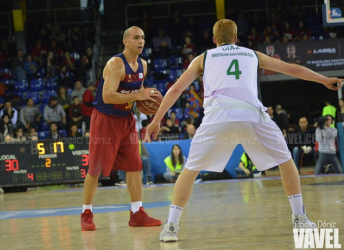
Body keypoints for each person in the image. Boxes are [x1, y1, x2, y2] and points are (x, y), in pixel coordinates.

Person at [144, 19, 342, 242]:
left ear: (214, 40)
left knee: (190, 169)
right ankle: (300, 218)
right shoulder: (252, 55)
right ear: (236, 38)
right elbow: (291, 68)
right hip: (252, 117)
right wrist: (324, 79)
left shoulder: (204, 58)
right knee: (286, 160)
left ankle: (171, 226)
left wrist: (156, 119)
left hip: (217, 118)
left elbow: (176, 88)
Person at [80, 26, 161, 231]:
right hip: (105, 119)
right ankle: (86, 213)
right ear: (126, 42)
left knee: (134, 166)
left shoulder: (143, 64)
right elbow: (108, 96)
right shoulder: (116, 64)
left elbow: (138, 93)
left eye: (142, 37)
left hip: (126, 119)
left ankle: (137, 213)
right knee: (96, 168)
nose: (141, 41)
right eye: (136, 38)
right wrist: (137, 96)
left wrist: (147, 99)